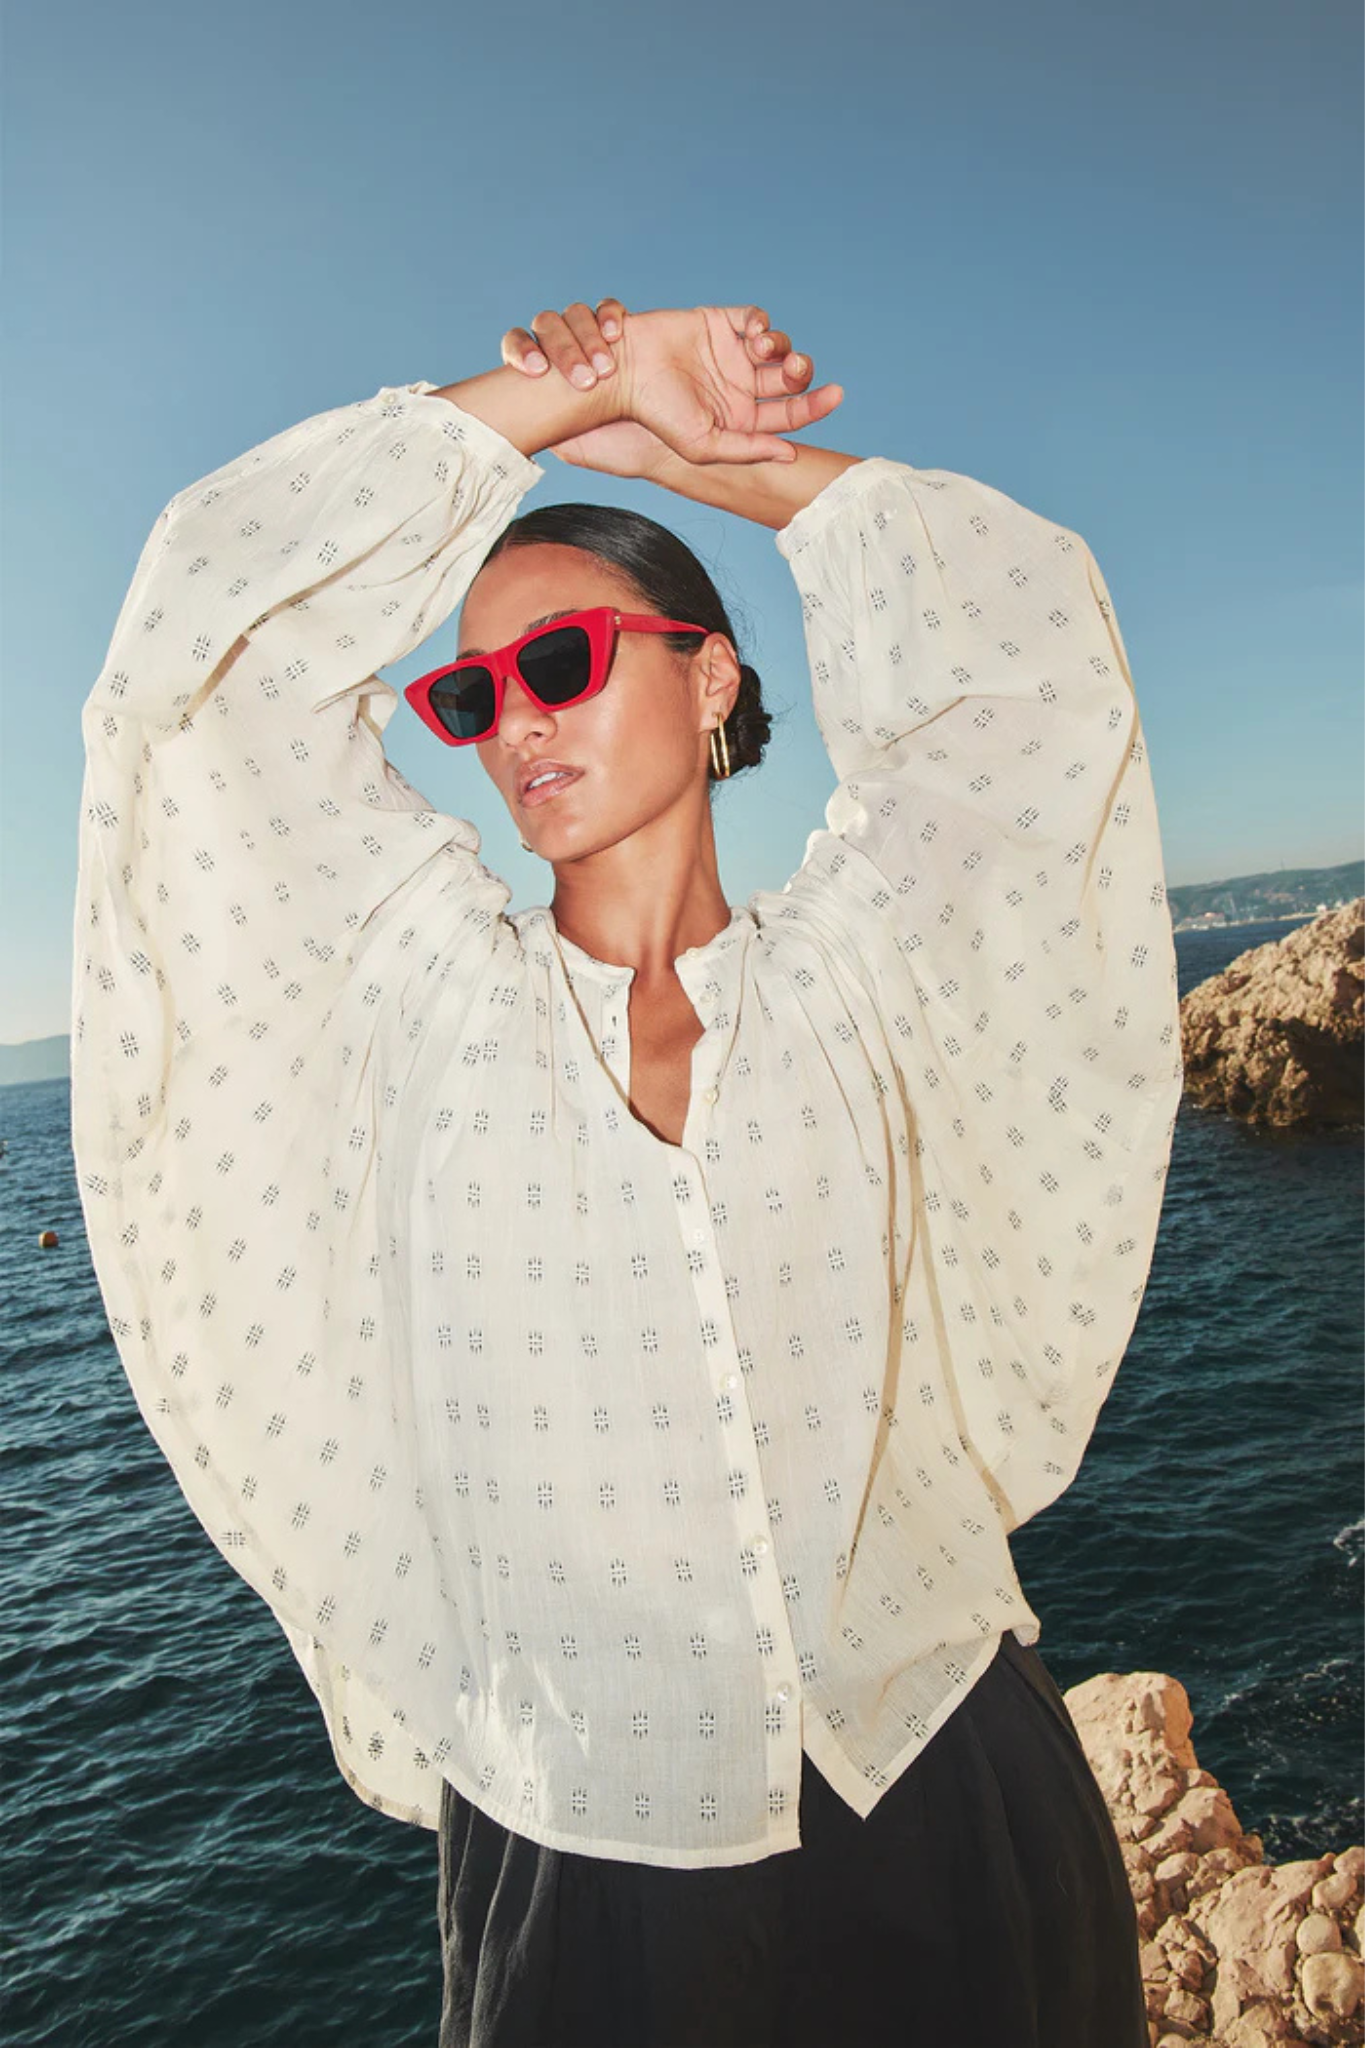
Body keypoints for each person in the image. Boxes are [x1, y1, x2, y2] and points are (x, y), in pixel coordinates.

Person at [72, 297, 1182, 2047]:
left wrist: (700, 456)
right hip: (591, 1869)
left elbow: (1027, 676)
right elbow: (205, 665)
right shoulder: (424, 1005)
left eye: (565, 659)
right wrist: (558, 392)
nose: (511, 718)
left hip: (952, 1789)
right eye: (466, 690)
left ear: (709, 672)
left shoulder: (864, 972)